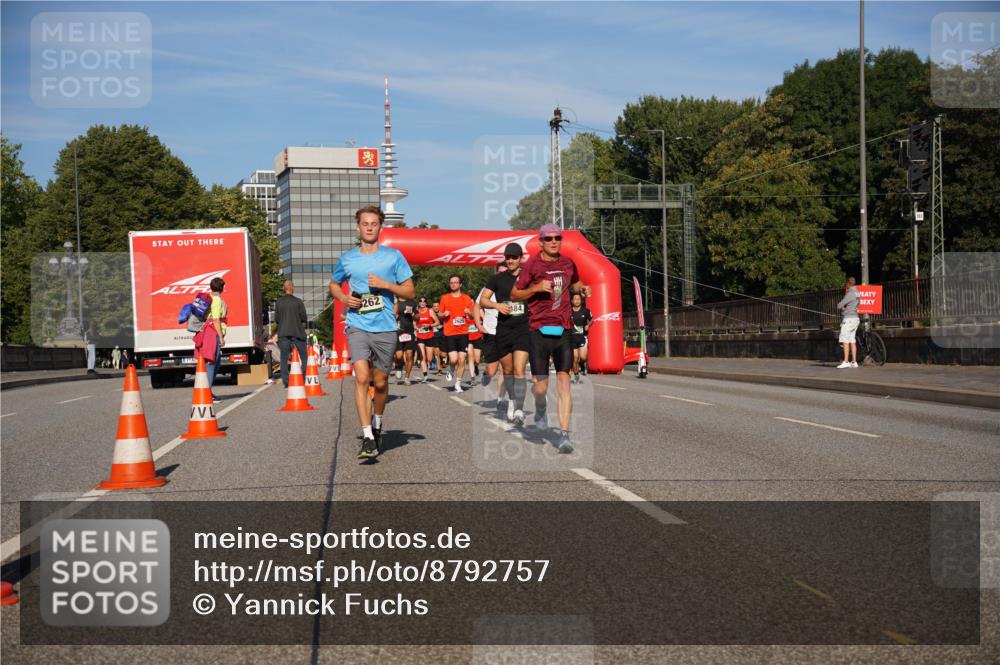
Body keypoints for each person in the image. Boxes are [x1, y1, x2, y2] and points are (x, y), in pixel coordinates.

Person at [330, 206, 415, 460]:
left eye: (374, 223)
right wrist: (345, 297)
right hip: (357, 325)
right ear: (358, 227)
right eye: (365, 223)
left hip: (386, 327)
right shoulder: (347, 258)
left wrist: (386, 285)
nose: (369, 227)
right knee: (361, 377)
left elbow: (410, 291)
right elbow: (334, 284)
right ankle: (367, 435)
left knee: (380, 383)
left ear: (380, 227)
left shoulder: (393, 256)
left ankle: (378, 423)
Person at [511, 224, 590, 453]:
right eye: (549, 239)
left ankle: (564, 435)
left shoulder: (567, 263)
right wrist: (536, 288)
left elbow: (575, 282)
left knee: (564, 381)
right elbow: (515, 293)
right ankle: (540, 407)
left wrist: (582, 290)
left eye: (558, 238)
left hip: (564, 329)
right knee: (540, 388)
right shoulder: (531, 266)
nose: (554, 242)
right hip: (538, 330)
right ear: (541, 241)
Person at [480, 244, 531, 425]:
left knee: (519, 369)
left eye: (514, 257)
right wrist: (497, 305)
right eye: (508, 257)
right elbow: (483, 300)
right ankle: (511, 400)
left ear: (520, 258)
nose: (510, 261)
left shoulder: (528, 277)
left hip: (523, 329)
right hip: (503, 330)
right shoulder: (497, 278)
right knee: (508, 371)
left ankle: (519, 408)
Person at [437, 275, 476, 393]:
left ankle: (458, 384)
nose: (453, 284)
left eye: (456, 282)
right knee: (453, 360)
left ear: (460, 284)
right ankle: (451, 369)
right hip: (450, 332)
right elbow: (439, 314)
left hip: (463, 332)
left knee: (462, 359)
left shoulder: (467, 298)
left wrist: (469, 313)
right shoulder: (445, 298)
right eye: (451, 283)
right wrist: (444, 315)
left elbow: (473, 316)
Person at [274, 280, 309, 388]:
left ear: (284, 289)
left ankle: (286, 382)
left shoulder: (279, 302)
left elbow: (277, 319)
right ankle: (303, 378)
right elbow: (304, 318)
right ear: (292, 288)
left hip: (283, 332)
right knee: (303, 356)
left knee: (284, 357)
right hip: (297, 331)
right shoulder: (298, 302)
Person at [203, 277, 228, 402]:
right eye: (224, 286)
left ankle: (207, 391)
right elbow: (216, 319)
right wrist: (221, 337)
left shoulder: (210, 297)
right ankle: (207, 393)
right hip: (213, 333)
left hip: (209, 332)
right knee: (212, 362)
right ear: (221, 287)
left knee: (213, 362)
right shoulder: (217, 300)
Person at [394, 296, 419, 385]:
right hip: (398, 332)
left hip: (409, 332)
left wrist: (412, 313)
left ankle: (407, 378)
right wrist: (395, 316)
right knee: (399, 356)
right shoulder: (395, 302)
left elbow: (417, 317)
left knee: (409, 355)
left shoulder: (412, 303)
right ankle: (399, 366)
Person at [413, 297, 439, 382]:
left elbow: (437, 322)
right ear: (419, 303)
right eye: (421, 301)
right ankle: (425, 375)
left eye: (424, 301)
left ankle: (429, 364)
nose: (422, 302)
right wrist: (416, 327)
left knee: (429, 358)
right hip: (420, 336)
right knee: (422, 357)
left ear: (426, 303)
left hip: (429, 336)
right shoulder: (416, 312)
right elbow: (414, 323)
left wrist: (430, 325)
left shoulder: (430, 311)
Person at [837, 276, 860, 369]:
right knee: (852, 340)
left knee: (845, 340)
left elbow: (839, 305)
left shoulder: (850, 293)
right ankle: (854, 362)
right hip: (855, 318)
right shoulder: (857, 292)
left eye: (846, 284)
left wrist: (844, 309)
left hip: (848, 319)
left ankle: (846, 361)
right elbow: (858, 303)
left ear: (848, 284)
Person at [570, 293, 593, 383]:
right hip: (572, 338)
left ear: (581, 300)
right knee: (575, 358)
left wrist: (588, 325)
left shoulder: (585, 311)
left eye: (578, 299)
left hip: (582, 336)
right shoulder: (568, 311)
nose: (577, 301)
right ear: (572, 301)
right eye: (575, 299)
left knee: (583, 357)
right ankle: (576, 375)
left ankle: (582, 365)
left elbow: (592, 319)